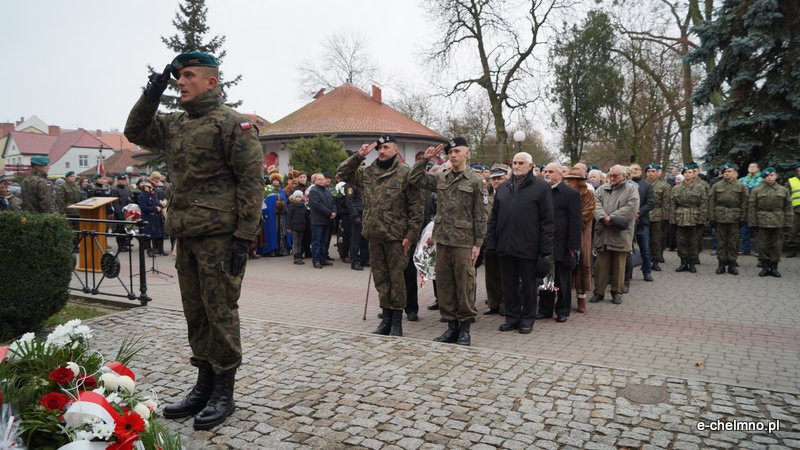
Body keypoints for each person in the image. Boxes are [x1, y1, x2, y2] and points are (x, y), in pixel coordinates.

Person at [124, 51, 263, 429]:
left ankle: (223, 391)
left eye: (188, 76)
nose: (180, 82)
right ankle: (203, 384)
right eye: (177, 77)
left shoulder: (234, 125)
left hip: (220, 236)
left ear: (211, 81)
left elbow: (252, 182)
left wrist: (244, 237)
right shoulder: (175, 125)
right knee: (195, 313)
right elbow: (135, 130)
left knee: (220, 314)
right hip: (186, 234)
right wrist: (153, 90)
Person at [337, 135, 423, 335]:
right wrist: (358, 156)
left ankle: (396, 322)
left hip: (397, 237)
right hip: (375, 235)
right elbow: (342, 174)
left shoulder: (406, 173)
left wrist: (411, 235)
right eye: (379, 148)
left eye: (386, 147)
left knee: (397, 279)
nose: (382, 151)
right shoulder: (368, 172)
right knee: (380, 279)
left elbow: (416, 208)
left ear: (396, 150)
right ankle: (385, 318)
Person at [409, 137, 488, 345]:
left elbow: (481, 216)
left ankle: (464, 330)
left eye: (457, 152)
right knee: (445, 285)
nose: (452, 155)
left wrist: (478, 243)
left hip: (464, 242)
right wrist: (425, 160)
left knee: (464, 286)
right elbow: (414, 178)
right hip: (443, 241)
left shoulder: (476, 181)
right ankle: (451, 327)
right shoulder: (441, 178)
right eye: (450, 153)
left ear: (467, 153)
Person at [485, 152, 553, 334]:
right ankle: (512, 317)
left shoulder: (541, 187)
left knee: (529, 286)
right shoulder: (504, 187)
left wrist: (545, 248)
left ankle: (527, 318)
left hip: (529, 246)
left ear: (530, 166)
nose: (516, 166)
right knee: (509, 285)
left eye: (521, 163)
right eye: (514, 162)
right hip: (505, 245)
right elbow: (494, 217)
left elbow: (547, 220)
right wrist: (491, 240)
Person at [590, 165, 639, 305]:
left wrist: (611, 218)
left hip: (620, 233)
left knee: (619, 266)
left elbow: (632, 207)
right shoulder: (601, 189)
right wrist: (603, 217)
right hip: (603, 233)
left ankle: (617, 293)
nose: (611, 178)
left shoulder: (631, 189)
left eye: (615, 175)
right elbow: (595, 204)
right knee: (600, 266)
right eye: (610, 175)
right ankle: (598, 292)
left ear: (624, 176)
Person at [538, 163, 580, 323]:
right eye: (545, 171)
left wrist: (572, 247)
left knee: (562, 279)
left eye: (550, 171)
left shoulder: (570, 193)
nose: (547, 174)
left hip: (562, 244)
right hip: (545, 243)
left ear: (560, 174)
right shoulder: (541, 191)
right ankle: (545, 309)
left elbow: (576, 222)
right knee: (546, 277)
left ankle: (563, 309)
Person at [748, 167, 792, 277]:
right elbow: (752, 207)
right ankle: (765, 267)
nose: (769, 177)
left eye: (771, 175)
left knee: (777, 246)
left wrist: (788, 223)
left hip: (778, 221)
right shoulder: (757, 190)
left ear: (776, 176)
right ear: (764, 177)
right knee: (763, 246)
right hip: (762, 221)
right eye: (767, 176)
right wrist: (753, 223)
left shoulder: (783, 190)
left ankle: (774, 267)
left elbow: (788, 208)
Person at [564, 167, 594, 313]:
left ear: (578, 181)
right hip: (564, 234)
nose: (567, 182)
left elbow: (588, 213)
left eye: (570, 180)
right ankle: (563, 297)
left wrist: (570, 220)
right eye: (566, 179)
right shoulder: (563, 193)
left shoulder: (588, 194)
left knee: (582, 264)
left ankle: (581, 299)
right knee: (565, 265)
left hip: (582, 234)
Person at [708, 163, 748, 275]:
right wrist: (711, 218)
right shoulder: (716, 186)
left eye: (729, 171)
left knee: (733, 243)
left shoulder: (741, 186)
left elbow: (745, 203)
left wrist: (743, 218)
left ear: (734, 173)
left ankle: (732, 264)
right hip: (720, 217)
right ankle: (721, 264)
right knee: (721, 242)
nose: (727, 173)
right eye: (725, 172)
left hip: (735, 218)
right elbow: (711, 202)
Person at [670, 162, 708, 273]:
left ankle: (692, 263)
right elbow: (672, 205)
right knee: (681, 241)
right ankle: (683, 262)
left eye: (690, 172)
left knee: (693, 241)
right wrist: (672, 220)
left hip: (694, 217)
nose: (687, 174)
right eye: (685, 172)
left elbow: (704, 204)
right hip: (680, 217)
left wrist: (702, 220)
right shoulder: (676, 188)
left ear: (694, 174)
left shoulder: (700, 187)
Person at [483, 165, 509, 315]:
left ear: (507, 177)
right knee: (491, 273)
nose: (496, 181)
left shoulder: (511, 192)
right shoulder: (485, 193)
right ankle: (493, 304)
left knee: (505, 273)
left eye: (499, 178)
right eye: (494, 178)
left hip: (505, 238)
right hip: (488, 238)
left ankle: (506, 305)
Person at [625, 163, 655, 286]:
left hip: (642, 221)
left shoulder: (647, 185)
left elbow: (651, 202)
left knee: (645, 249)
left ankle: (647, 271)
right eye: (632, 169)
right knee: (628, 249)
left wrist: (639, 212)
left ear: (641, 172)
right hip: (627, 221)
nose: (634, 171)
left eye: (637, 169)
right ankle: (628, 272)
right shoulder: (625, 185)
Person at [308, 172, 336, 268]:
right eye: (319, 179)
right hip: (318, 221)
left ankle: (323, 259)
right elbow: (317, 205)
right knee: (317, 241)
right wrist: (330, 213)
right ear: (315, 181)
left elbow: (333, 203)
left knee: (324, 241)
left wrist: (334, 212)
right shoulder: (313, 191)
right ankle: (316, 261)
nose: (321, 181)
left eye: (322, 179)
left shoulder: (327, 190)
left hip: (327, 220)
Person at [646, 164, 670, 271]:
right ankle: (645, 261)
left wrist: (665, 217)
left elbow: (666, 203)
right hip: (644, 215)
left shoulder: (664, 186)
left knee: (656, 240)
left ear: (657, 173)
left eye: (653, 171)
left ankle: (655, 261)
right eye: (649, 171)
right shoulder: (642, 184)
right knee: (645, 240)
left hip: (657, 216)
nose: (651, 173)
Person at [739, 162, 763, 256]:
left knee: (758, 230)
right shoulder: (742, 179)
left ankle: (758, 250)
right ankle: (745, 249)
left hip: (757, 208)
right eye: (750, 166)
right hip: (745, 208)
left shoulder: (762, 179)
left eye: (754, 166)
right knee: (745, 230)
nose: (752, 168)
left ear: (758, 169)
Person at [344, 182, 369, 270]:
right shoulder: (350, 185)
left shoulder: (364, 182)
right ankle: (354, 261)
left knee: (365, 238)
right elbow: (349, 201)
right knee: (356, 239)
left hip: (365, 214)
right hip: (357, 215)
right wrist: (355, 216)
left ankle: (364, 259)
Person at [111, 173, 133, 252]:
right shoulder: (115, 190)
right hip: (119, 213)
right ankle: (120, 246)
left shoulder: (127, 190)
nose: (124, 181)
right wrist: (119, 213)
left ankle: (125, 245)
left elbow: (129, 200)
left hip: (127, 212)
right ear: (118, 181)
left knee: (126, 230)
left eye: (125, 180)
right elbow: (115, 203)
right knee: (120, 230)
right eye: (122, 180)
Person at [287, 190, 307, 265]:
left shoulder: (303, 206)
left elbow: (305, 216)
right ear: (294, 197)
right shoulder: (292, 205)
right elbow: (289, 217)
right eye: (297, 197)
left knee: (300, 242)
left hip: (301, 226)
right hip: (294, 227)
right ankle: (296, 257)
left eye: (300, 197)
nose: (298, 198)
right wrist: (288, 227)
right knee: (295, 242)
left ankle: (299, 254)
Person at [786, 163, 800, 258]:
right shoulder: (791, 181)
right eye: (799, 170)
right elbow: (786, 196)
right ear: (797, 171)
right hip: (795, 209)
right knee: (793, 231)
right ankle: (792, 249)